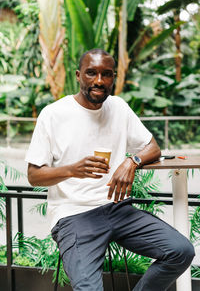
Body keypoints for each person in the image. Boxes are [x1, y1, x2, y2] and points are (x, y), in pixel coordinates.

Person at [25, 48, 195, 291]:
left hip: (118, 209)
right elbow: (34, 175)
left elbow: (152, 147)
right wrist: (72, 170)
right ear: (78, 75)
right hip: (74, 215)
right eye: (91, 73)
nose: (99, 81)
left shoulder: (119, 108)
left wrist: (131, 161)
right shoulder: (53, 115)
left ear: (113, 77)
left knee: (181, 251)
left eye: (106, 75)